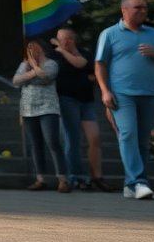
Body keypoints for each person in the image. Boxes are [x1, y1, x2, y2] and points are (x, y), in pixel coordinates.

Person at [95, 0, 154, 200]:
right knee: (128, 134)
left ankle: (131, 185)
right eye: (138, 7)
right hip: (122, 94)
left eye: (145, 8)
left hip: (150, 93)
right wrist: (105, 91)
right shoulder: (109, 34)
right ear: (125, 10)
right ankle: (139, 182)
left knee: (143, 141)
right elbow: (100, 64)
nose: (143, 11)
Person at [49, 27, 109, 191]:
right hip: (67, 99)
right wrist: (60, 51)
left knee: (95, 138)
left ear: (75, 39)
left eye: (69, 38)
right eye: (62, 39)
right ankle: (76, 176)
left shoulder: (84, 52)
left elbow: (84, 65)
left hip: (86, 100)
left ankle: (97, 176)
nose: (66, 41)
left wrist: (64, 50)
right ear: (57, 39)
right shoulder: (54, 55)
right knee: (72, 139)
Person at [14, 38, 68, 192]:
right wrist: (32, 73)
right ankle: (40, 179)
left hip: (48, 109)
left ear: (42, 49)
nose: (31, 52)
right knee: (35, 144)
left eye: (34, 49)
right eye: (29, 50)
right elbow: (16, 81)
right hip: (28, 110)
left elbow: (44, 77)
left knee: (52, 142)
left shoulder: (51, 64)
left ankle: (62, 179)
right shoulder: (23, 65)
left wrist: (32, 70)